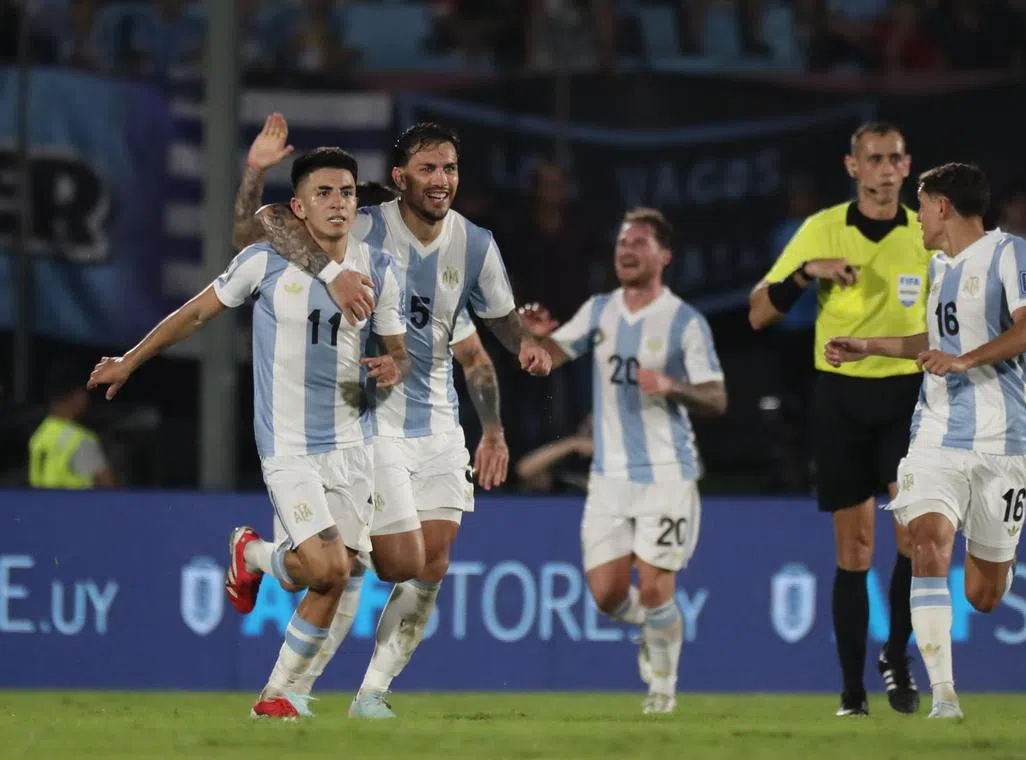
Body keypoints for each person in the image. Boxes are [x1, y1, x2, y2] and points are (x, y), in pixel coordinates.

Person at [230, 116, 552, 718]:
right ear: (401, 178)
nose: (441, 179)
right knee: (347, 567)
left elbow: (488, 336)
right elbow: (261, 228)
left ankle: (371, 693)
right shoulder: (364, 226)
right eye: (428, 168)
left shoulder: (475, 246)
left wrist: (516, 375)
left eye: (450, 168)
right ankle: (290, 689)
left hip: (438, 425)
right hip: (368, 421)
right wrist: (258, 177)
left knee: (429, 564)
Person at [88, 147, 410, 719]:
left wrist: (394, 364)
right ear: (299, 207)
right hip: (288, 446)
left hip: (351, 444)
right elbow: (195, 313)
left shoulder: (380, 269)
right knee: (329, 569)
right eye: (323, 194)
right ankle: (277, 692)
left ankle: (257, 579)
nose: (338, 203)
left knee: (333, 575)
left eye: (346, 192)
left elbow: (398, 352)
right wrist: (130, 361)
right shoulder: (264, 261)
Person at [825, 161, 1026, 719]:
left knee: (983, 596)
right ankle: (944, 696)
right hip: (936, 434)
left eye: (921, 206)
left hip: (1003, 441)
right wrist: (871, 346)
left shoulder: (1010, 253)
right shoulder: (939, 267)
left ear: (943, 206)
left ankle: (1000, 560)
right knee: (924, 540)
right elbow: (938, 339)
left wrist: (965, 360)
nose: (917, 217)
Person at [747, 121, 930, 716]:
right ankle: (852, 692)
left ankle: (896, 655)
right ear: (853, 167)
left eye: (894, 158)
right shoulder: (822, 229)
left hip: (907, 396)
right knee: (855, 548)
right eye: (873, 158)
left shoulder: (926, 234)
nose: (884, 169)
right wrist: (807, 274)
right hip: (842, 399)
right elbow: (757, 313)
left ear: (907, 166)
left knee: (914, 536)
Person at [520, 208, 727, 714]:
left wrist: (672, 385)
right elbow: (547, 360)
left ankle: (663, 690)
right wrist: (534, 338)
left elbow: (716, 398)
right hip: (609, 479)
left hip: (667, 475)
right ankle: (653, 630)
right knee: (607, 596)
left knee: (656, 587)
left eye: (638, 243)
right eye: (621, 243)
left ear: (664, 256)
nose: (626, 251)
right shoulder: (600, 310)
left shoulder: (684, 321)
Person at [29, 359, 115, 489]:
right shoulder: (80, 440)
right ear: (78, 395)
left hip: (39, 502)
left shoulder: (39, 436)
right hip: (76, 502)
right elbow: (108, 489)